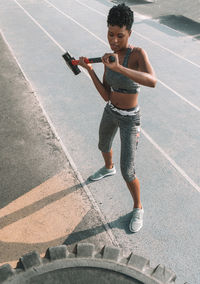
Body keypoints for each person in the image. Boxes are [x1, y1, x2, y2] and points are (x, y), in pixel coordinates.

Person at [78, 3, 157, 233]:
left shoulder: (137, 54)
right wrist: (91, 71)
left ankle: (138, 207)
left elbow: (152, 81)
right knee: (103, 144)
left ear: (129, 33)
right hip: (111, 111)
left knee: (128, 171)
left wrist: (120, 68)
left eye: (119, 35)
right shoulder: (107, 57)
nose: (113, 40)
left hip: (130, 119)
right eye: (110, 34)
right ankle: (107, 167)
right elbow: (106, 95)